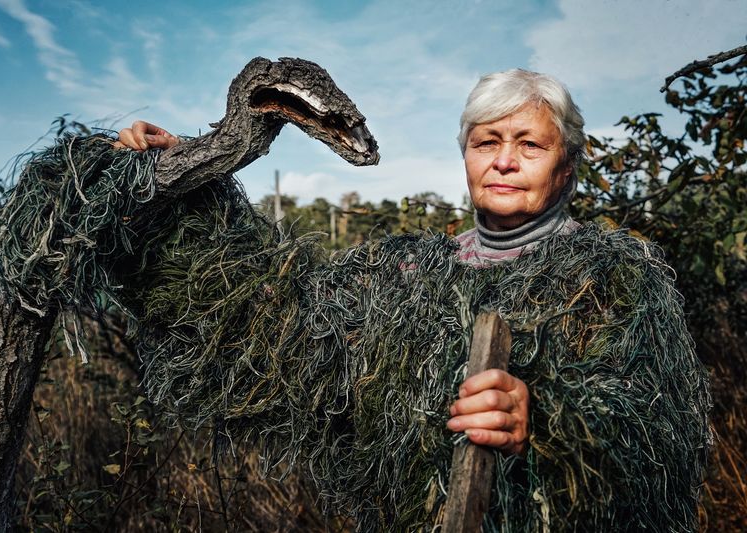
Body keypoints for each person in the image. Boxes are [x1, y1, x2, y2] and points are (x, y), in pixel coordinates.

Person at [116, 69, 710, 531]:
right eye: (487, 142)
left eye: (530, 144)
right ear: (467, 157)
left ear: (567, 168)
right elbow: (278, 332)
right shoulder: (405, 272)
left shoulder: (617, 277)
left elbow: (660, 437)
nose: (504, 160)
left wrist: (546, 417)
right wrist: (188, 183)